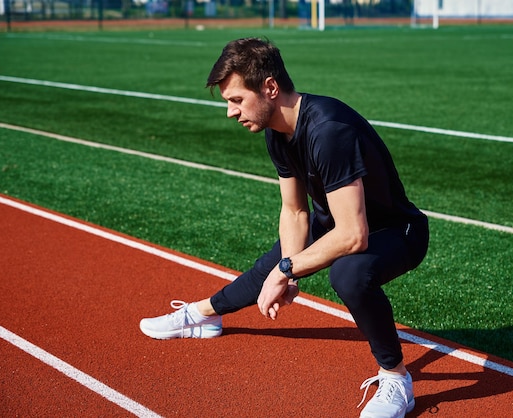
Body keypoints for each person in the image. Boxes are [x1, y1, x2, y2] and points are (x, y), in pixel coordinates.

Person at [139, 37, 429, 418]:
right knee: (270, 266)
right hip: (340, 225)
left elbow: (354, 234)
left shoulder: (329, 130)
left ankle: (396, 379)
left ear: (270, 88)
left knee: (348, 274)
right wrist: (286, 267)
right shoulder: (277, 131)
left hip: (396, 231)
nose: (230, 112)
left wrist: (288, 269)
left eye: (237, 100)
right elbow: (294, 212)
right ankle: (204, 315)